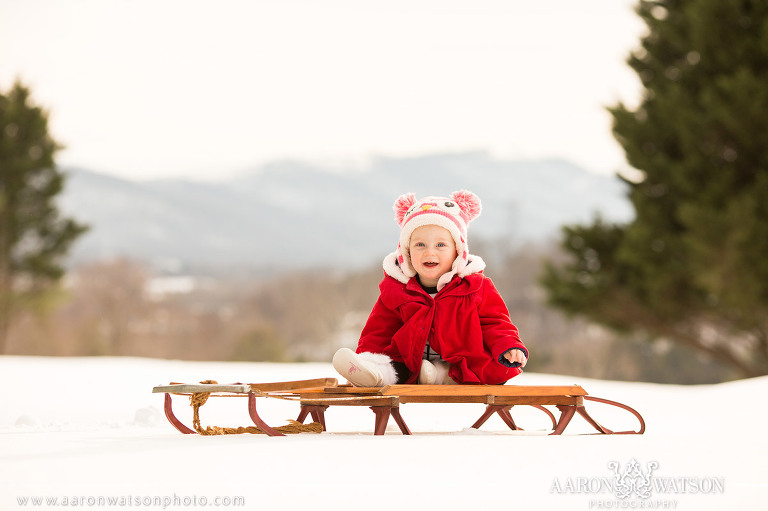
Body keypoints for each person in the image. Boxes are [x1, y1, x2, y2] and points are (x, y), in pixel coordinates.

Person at [332, 190, 528, 386]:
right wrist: (368, 357)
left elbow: (495, 322)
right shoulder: (397, 290)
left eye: (441, 245)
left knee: (491, 368)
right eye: (420, 245)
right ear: (406, 252)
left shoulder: (476, 287)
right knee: (391, 366)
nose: (429, 252)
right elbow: (378, 330)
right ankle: (371, 374)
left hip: (462, 360)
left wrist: (509, 345)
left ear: (458, 252)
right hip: (410, 362)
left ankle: (442, 375)